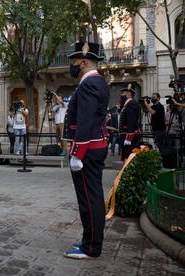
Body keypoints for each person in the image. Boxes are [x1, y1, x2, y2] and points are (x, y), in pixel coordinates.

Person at [62, 42, 109, 259]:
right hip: (93, 147)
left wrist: (77, 154)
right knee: (91, 196)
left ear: (83, 61)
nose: (71, 66)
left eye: (74, 62)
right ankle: (89, 241)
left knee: (89, 199)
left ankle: (91, 247)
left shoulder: (90, 84)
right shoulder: (96, 82)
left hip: (88, 149)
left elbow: (86, 121)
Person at [118, 86, 140, 161]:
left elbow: (132, 120)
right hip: (125, 132)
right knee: (125, 153)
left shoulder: (131, 103)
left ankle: (128, 169)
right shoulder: (127, 103)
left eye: (123, 92)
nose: (122, 94)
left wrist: (129, 136)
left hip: (128, 133)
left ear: (129, 93)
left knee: (128, 153)